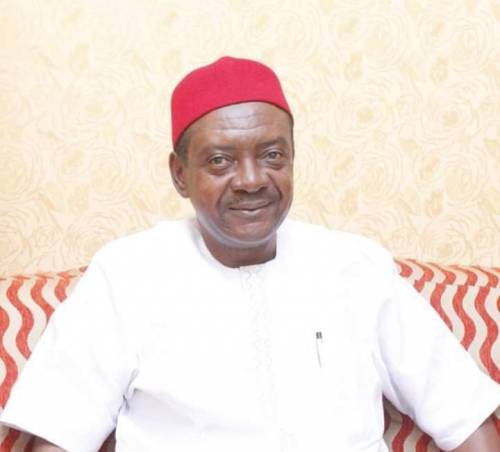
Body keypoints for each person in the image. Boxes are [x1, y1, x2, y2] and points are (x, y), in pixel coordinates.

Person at [1, 57, 499, 452]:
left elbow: (465, 417)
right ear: (179, 175)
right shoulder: (127, 275)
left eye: (272, 155)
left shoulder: (357, 268)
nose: (252, 180)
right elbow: (60, 433)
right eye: (220, 160)